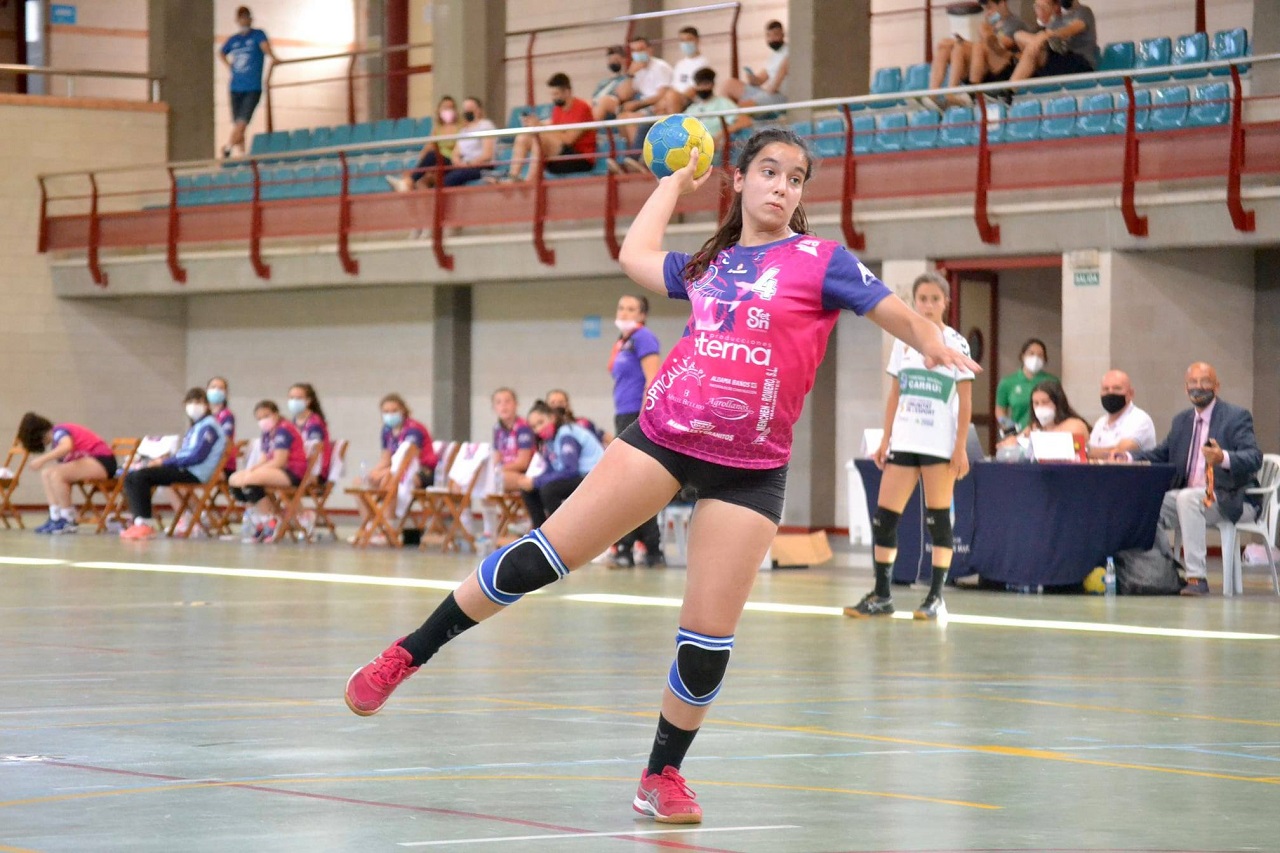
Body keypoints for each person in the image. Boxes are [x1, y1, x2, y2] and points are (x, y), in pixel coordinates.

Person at [343, 127, 978, 825]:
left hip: (751, 467)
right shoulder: (711, 261)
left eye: (795, 178)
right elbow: (634, 254)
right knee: (540, 558)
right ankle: (405, 654)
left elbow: (891, 310)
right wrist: (674, 180)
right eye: (768, 171)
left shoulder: (820, 259)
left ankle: (661, 773)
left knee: (706, 641)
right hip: (663, 439)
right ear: (737, 180)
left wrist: (930, 339)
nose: (781, 187)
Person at [845, 272, 974, 620]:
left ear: (946, 302)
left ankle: (935, 597)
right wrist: (885, 439)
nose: (928, 305)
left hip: (938, 444)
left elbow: (965, 400)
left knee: (938, 520)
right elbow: (895, 395)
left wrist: (960, 447)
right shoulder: (902, 344)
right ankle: (882, 594)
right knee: (884, 518)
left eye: (935, 299)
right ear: (913, 302)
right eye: (922, 299)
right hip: (905, 441)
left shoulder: (956, 343)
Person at [1123, 362, 1261, 596]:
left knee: (1187, 498)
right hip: (1190, 499)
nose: (1199, 387)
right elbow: (1161, 454)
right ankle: (1163, 572)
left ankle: (1197, 578)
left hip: (1230, 499)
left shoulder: (1236, 417)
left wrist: (1223, 457)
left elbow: (1253, 457)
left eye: (1205, 381)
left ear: (1216, 386)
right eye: (1193, 383)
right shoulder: (1182, 421)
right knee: (1145, 504)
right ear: (1186, 388)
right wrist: (1126, 456)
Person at [118, 389, 228, 541]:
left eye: (198, 402)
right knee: (132, 475)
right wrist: (165, 460)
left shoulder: (209, 427)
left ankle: (145, 524)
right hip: (184, 468)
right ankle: (138, 521)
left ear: (207, 405)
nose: (194, 406)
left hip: (194, 472)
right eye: (190, 403)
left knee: (141, 477)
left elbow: (197, 456)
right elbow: (185, 453)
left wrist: (165, 462)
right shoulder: (197, 426)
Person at [609, 293, 664, 568]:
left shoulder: (643, 338)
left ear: (642, 315)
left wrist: (644, 419)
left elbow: (652, 379)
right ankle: (651, 548)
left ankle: (628, 547)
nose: (625, 313)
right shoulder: (623, 342)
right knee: (632, 484)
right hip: (623, 414)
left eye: (631, 309)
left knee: (628, 484)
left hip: (635, 415)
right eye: (621, 308)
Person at [18, 412, 116, 535]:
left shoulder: (59, 432)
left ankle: (68, 517)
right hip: (90, 462)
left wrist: (42, 460)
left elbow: (66, 447)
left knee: (58, 474)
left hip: (102, 462)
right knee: (46, 473)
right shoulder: (55, 444)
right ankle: (55, 516)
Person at [228, 400, 307, 542]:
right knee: (234, 480)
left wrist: (253, 473)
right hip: (275, 469)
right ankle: (261, 519)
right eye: (259, 418)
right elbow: (264, 458)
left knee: (249, 480)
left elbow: (279, 461)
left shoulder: (284, 429)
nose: (263, 420)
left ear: (276, 414)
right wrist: (253, 468)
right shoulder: (266, 432)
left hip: (291, 471)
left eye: (266, 415)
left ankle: (271, 520)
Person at [517, 400, 605, 527]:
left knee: (549, 490)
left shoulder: (566, 434)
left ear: (552, 418)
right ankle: (540, 533)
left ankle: (561, 532)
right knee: (528, 490)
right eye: (534, 427)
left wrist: (536, 481)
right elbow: (551, 470)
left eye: (541, 422)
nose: (539, 429)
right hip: (578, 476)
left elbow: (570, 470)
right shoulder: (549, 441)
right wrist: (530, 481)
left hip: (595, 476)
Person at [500, 74, 596, 181]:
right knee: (523, 137)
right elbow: (556, 132)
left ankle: (531, 180)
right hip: (558, 158)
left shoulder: (582, 108)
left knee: (540, 137)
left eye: (556, 94)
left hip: (579, 159)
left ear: (567, 92)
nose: (553, 98)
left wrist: (541, 126)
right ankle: (512, 177)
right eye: (552, 94)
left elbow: (569, 140)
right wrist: (539, 124)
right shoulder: (557, 109)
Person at [604, 37, 674, 172]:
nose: (637, 53)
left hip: (659, 107)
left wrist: (637, 104)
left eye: (640, 49)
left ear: (649, 50)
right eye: (634, 50)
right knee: (623, 117)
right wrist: (630, 74)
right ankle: (634, 160)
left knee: (632, 117)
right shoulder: (636, 69)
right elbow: (622, 95)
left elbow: (661, 94)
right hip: (644, 107)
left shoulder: (660, 66)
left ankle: (637, 159)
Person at [219, 6, 277, 159]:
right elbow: (221, 52)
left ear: (250, 19)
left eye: (246, 17)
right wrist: (229, 66)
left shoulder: (258, 34)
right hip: (235, 87)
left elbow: (266, 48)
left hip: (252, 87)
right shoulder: (234, 40)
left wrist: (274, 57)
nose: (244, 20)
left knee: (242, 122)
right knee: (238, 124)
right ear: (237, 20)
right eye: (241, 18)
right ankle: (242, 154)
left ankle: (228, 148)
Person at [1011, 0, 1099, 83]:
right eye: (1038, 6)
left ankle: (1011, 87)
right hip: (1059, 59)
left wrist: (1047, 35)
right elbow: (1046, 42)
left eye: (1044, 6)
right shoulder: (1055, 19)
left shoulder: (1083, 11)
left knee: (1032, 48)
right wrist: (1040, 38)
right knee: (1020, 36)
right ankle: (1010, 90)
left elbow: (1070, 30)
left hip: (1080, 62)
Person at [999, 379, 1089, 455]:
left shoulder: (1074, 425)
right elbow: (1015, 442)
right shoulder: (1033, 427)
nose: (1040, 407)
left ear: (1058, 403)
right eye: (1036, 403)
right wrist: (1011, 443)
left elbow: (1073, 451)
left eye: (1045, 402)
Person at [388, 96, 460, 191]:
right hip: (437, 163)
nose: (448, 110)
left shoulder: (460, 127)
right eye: (445, 108)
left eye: (451, 107)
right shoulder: (437, 129)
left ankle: (407, 182)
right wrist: (417, 169)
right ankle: (410, 184)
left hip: (452, 161)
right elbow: (427, 148)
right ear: (439, 110)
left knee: (432, 155)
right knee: (422, 179)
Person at [1086, 369, 1157, 459]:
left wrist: (1087, 451)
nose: (1110, 392)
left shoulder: (1140, 419)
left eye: (1117, 388)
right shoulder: (1100, 422)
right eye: (1105, 389)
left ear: (1130, 394)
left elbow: (1118, 452)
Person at [722, 20, 789, 109]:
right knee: (728, 85)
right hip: (768, 93)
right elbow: (760, 80)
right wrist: (752, 78)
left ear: (782, 35)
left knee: (743, 107)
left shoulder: (789, 52)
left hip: (781, 97)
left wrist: (768, 90)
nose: (772, 39)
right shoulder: (773, 56)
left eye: (775, 35)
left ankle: (731, 119)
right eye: (769, 35)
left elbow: (778, 79)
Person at [995, 337, 1057, 430]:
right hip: (1018, 435)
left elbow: (1060, 408)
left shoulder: (1052, 381)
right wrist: (1009, 428)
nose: (1035, 358)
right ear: (1023, 356)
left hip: (1045, 433)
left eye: (1040, 355)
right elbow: (1000, 410)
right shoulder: (1008, 382)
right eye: (1031, 353)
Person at [656, 27, 710, 115]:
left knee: (671, 97)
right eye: (682, 40)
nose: (685, 43)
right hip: (674, 99)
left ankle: (675, 126)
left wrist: (676, 99)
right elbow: (673, 86)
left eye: (689, 40)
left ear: (697, 40)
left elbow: (695, 89)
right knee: (661, 104)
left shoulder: (703, 63)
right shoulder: (680, 64)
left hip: (691, 101)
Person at [491, 387, 537, 490]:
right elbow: (497, 457)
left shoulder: (523, 428)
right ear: (494, 408)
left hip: (525, 473)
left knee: (496, 478)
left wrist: (498, 470)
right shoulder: (497, 429)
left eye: (507, 401)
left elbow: (523, 463)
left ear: (516, 404)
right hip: (504, 470)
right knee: (478, 478)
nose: (503, 406)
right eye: (498, 402)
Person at [287, 382, 333, 484]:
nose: (294, 401)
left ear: (308, 401)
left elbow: (313, 450)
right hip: (297, 466)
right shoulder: (292, 423)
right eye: (291, 398)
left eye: (298, 398)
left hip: (313, 471)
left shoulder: (314, 423)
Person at [685, 68, 753, 137]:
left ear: (712, 84)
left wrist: (721, 135)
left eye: (705, 84)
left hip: (716, 144)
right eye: (699, 84)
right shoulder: (692, 108)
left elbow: (745, 121)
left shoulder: (723, 103)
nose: (702, 88)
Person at [545, 388, 610, 445]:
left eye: (561, 402)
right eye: (552, 403)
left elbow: (605, 437)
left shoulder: (583, 423)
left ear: (567, 405)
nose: (557, 406)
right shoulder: (542, 429)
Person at [591, 45, 632, 121]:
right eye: (610, 59)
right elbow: (594, 98)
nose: (613, 62)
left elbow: (624, 97)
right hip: (598, 105)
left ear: (624, 59)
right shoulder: (603, 82)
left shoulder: (627, 79)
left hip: (616, 108)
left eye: (616, 59)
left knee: (604, 101)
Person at [206, 376, 237, 477]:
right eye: (213, 387)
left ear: (225, 393)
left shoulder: (226, 415)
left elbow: (224, 441)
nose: (216, 390)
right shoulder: (204, 416)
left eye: (220, 388)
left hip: (223, 464)